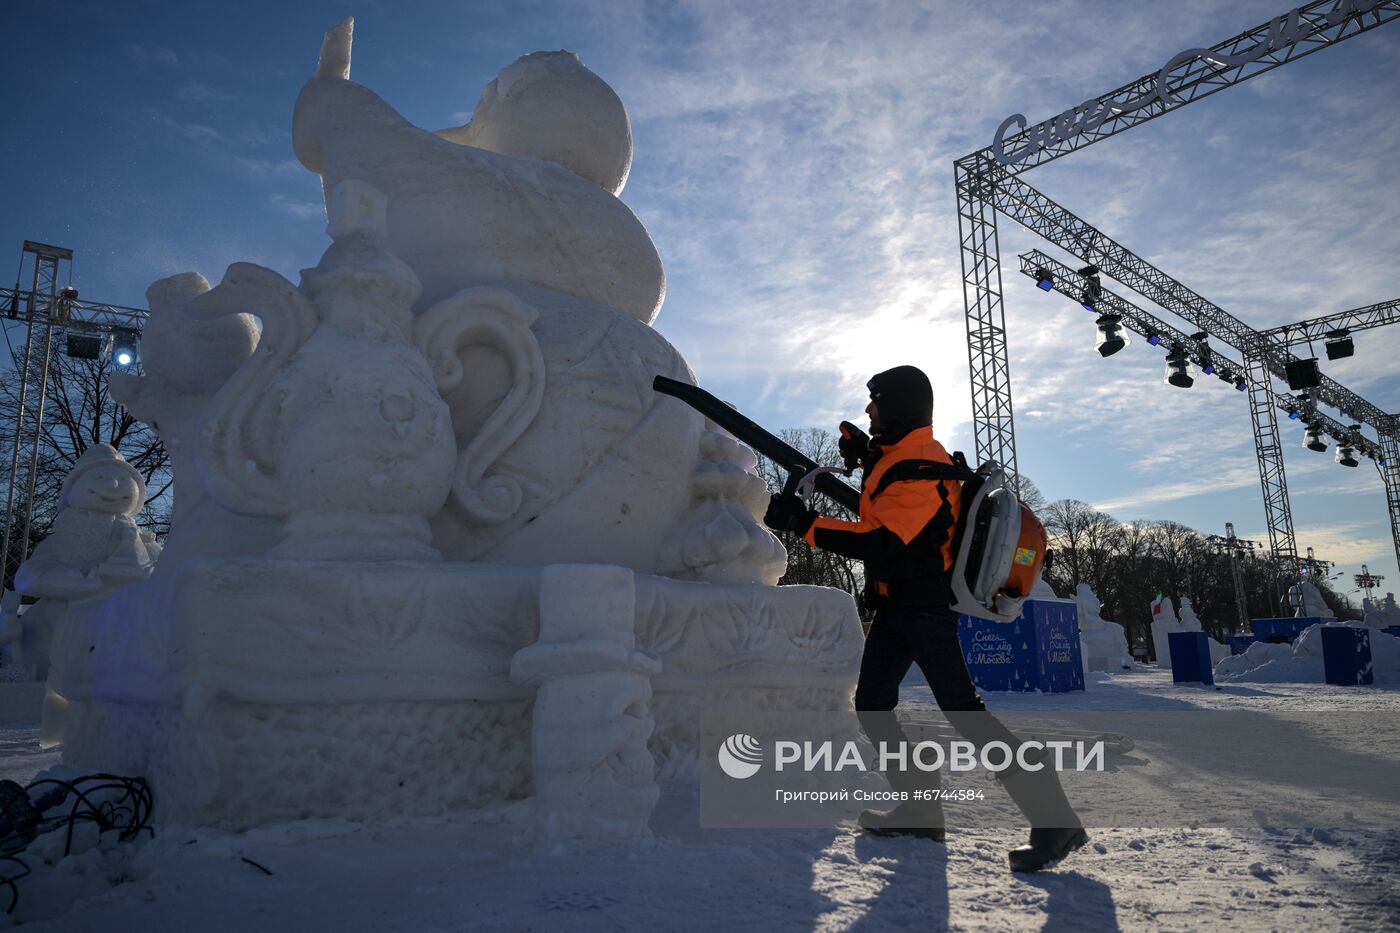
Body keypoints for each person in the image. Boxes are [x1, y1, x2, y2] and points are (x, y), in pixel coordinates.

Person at [763, 365, 1086, 873]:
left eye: (876, 402)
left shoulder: (918, 465)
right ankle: (919, 808)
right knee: (873, 704)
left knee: (963, 710)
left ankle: (1055, 818)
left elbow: (883, 541)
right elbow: (886, 511)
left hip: (923, 609)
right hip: (899, 605)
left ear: (900, 407)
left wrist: (806, 525)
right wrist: (867, 457)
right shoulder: (900, 457)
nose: (868, 410)